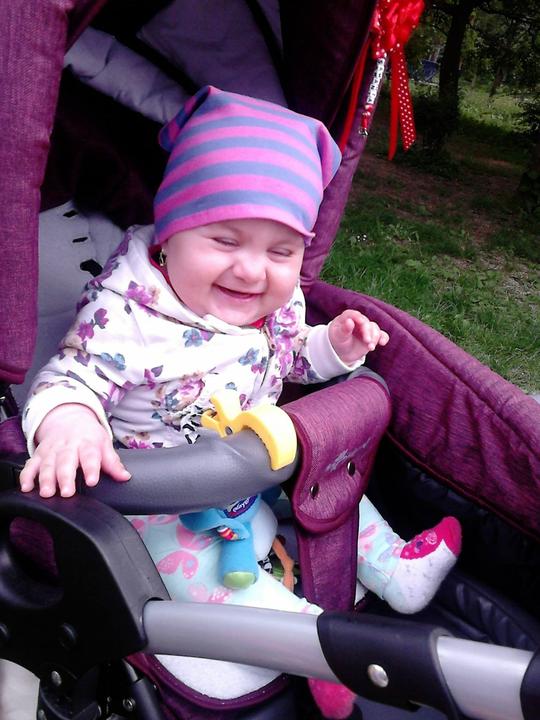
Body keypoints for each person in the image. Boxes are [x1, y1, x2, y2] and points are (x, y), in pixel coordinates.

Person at [20, 86, 460, 716]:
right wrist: (71, 426)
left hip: (257, 469)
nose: (253, 271)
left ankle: (394, 568)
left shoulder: (274, 304)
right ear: (171, 233)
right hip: (158, 502)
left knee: (333, 485)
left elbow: (292, 359)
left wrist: (333, 347)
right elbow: (70, 377)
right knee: (193, 574)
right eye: (226, 241)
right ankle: (313, 646)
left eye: (281, 252)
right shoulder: (128, 314)